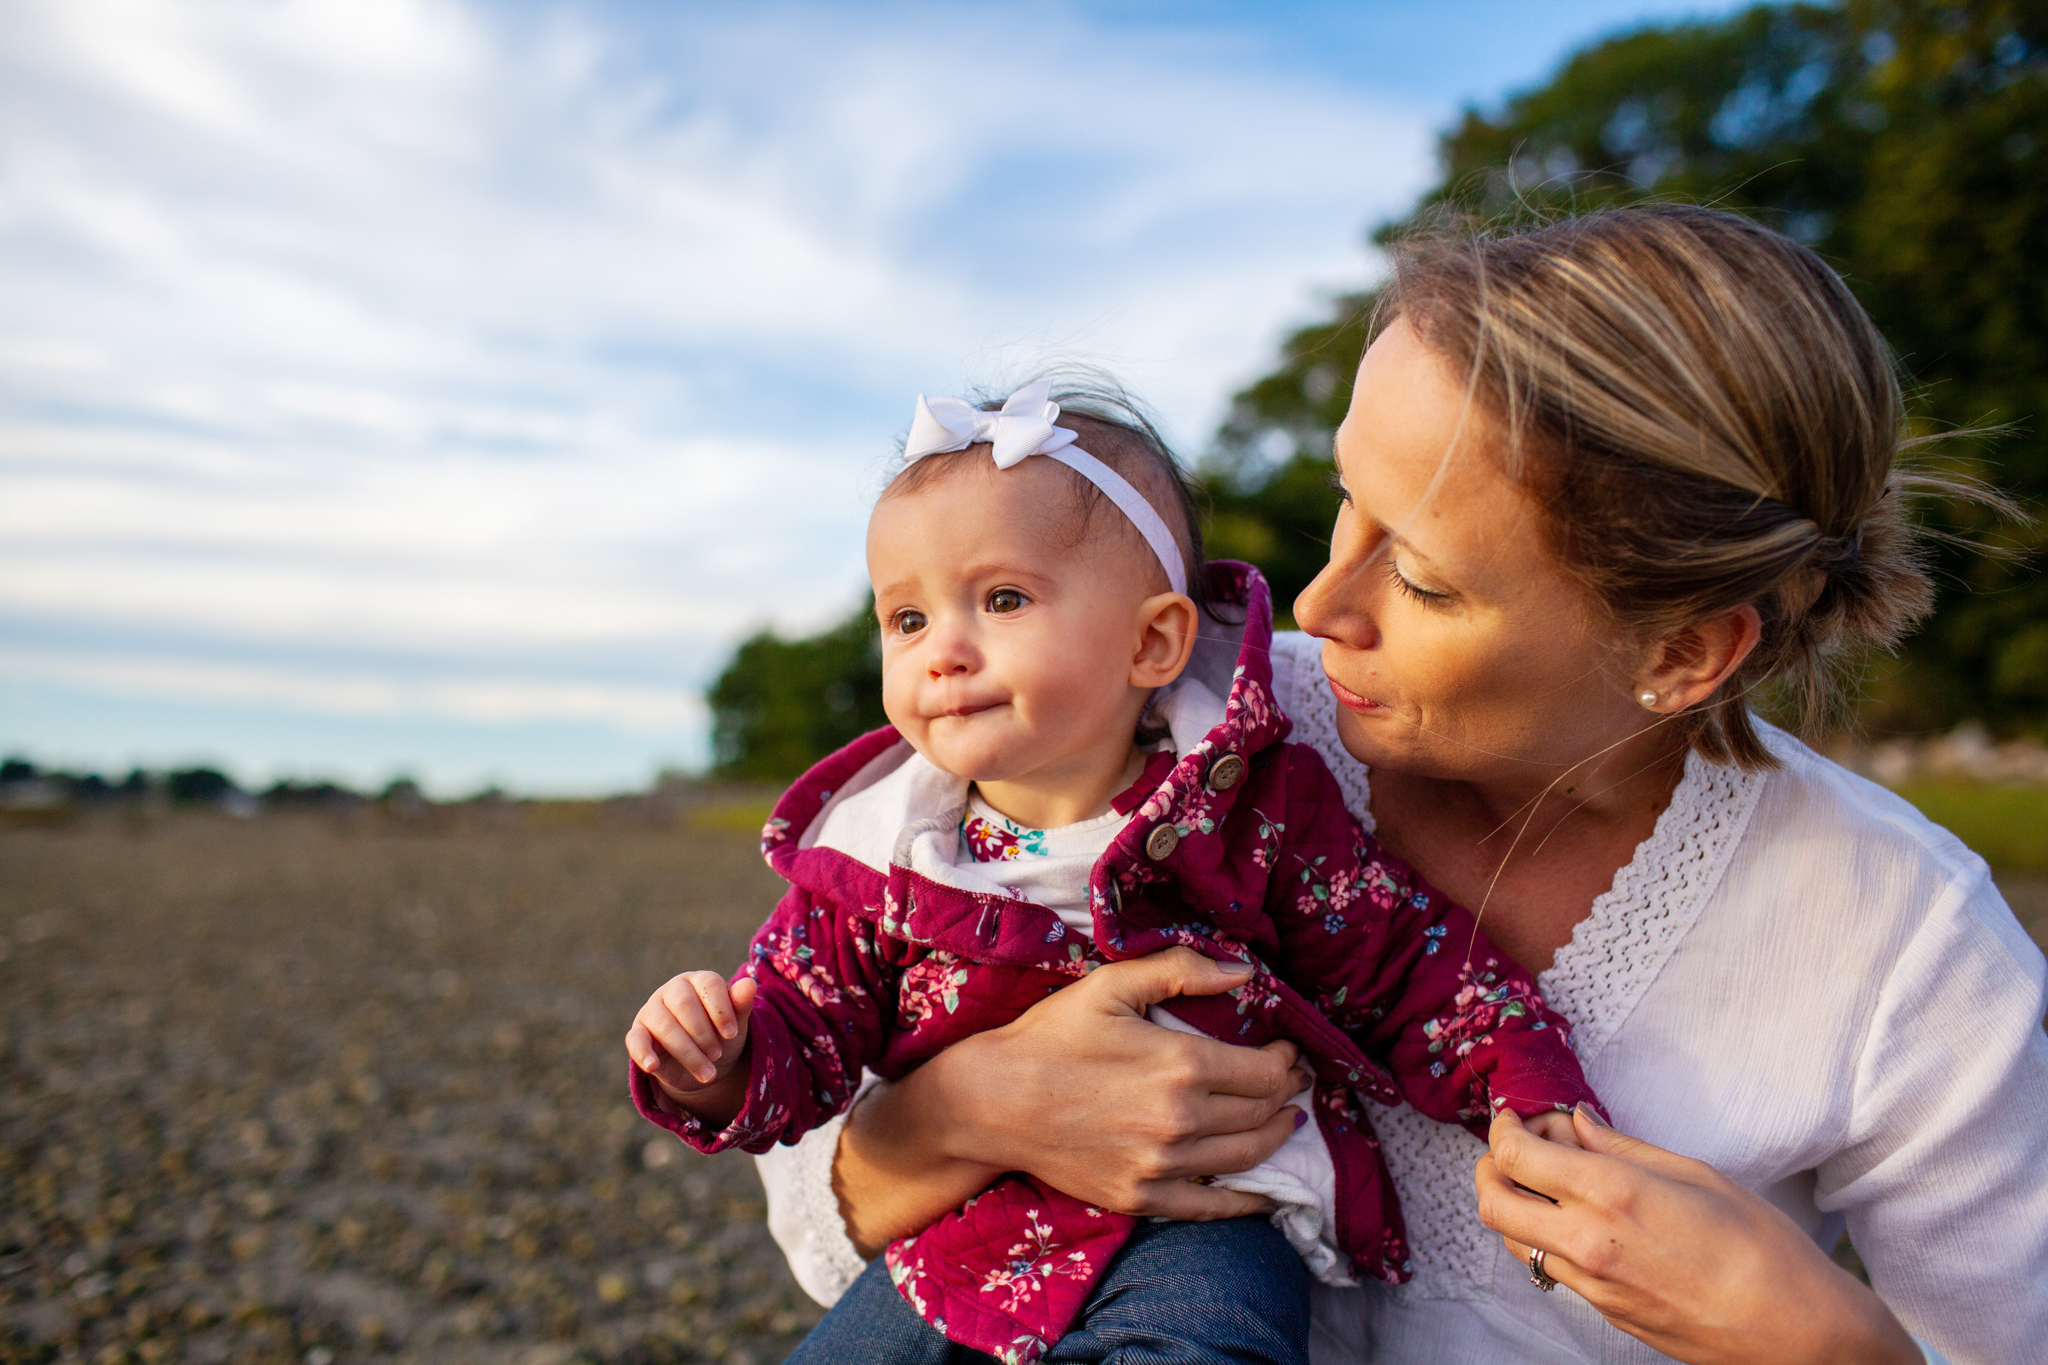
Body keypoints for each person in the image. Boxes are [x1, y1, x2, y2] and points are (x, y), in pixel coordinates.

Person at [749, 207, 2048, 1364]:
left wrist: (1826, 1344)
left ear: (1680, 652)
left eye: (1422, 578)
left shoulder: (1910, 948)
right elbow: (814, 1192)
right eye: (1343, 504)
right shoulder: (1186, 722)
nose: (1317, 606)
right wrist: (960, 1115)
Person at [624, 380, 1604, 1363]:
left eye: (1001, 599)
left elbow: (1402, 964)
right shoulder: (883, 860)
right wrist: (719, 1064)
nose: (943, 653)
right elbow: (806, 1025)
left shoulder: (1243, 813)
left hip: (1210, 1215)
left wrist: (1520, 1080)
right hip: (958, 1235)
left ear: (1152, 641)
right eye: (905, 619)